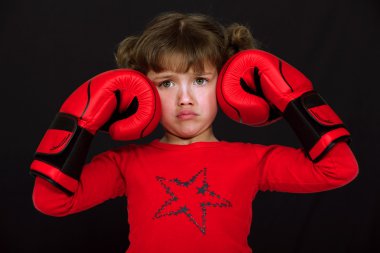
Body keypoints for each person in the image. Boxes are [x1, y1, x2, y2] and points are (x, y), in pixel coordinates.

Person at [30, 12, 358, 253]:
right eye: (167, 83)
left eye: (200, 80)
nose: (184, 97)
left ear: (228, 83)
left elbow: (339, 169)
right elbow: (50, 201)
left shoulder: (253, 159)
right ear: (140, 90)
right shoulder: (125, 163)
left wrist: (292, 98)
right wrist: (80, 121)